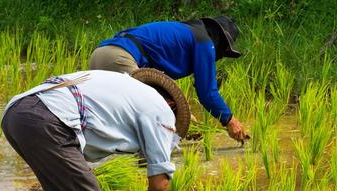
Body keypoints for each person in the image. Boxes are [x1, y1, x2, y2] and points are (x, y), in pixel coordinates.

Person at [1, 68, 191, 191]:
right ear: (171, 105)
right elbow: (159, 183)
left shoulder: (121, 91)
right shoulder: (160, 108)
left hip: (16, 114)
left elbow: (80, 169)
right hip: (49, 119)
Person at [90, 16, 248, 143]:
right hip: (120, 59)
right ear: (220, 41)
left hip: (100, 55)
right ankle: (150, 168)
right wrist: (230, 120)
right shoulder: (205, 42)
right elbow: (207, 93)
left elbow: (158, 86)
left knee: (112, 120)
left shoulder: (184, 33)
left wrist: (185, 120)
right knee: (152, 116)